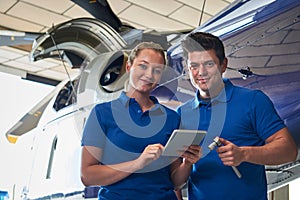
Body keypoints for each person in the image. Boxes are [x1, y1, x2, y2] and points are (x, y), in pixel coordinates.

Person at [171, 32, 298, 200]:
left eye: (209, 64)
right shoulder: (182, 114)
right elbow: (174, 182)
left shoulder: (253, 101)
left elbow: (289, 151)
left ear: (223, 65)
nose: (201, 72)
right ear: (188, 69)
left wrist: (243, 154)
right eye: (194, 66)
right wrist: (187, 163)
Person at [80, 42, 181, 200]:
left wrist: (188, 163)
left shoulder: (172, 118)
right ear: (128, 67)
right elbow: (87, 176)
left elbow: (175, 181)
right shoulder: (102, 113)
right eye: (143, 66)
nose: (149, 74)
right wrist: (138, 163)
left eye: (156, 70)